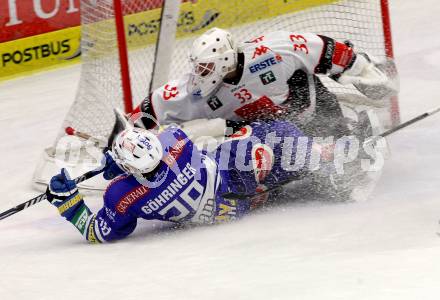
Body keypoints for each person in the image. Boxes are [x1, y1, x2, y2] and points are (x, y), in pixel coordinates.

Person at [47, 121, 325, 243]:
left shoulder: (120, 194)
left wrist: (69, 204)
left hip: (223, 213)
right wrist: (120, 164)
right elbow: (157, 137)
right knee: (265, 133)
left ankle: (273, 188)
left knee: (253, 164)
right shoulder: (176, 140)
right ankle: (325, 157)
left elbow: (98, 233)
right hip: (232, 183)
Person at [123, 27, 394, 142]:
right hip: (269, 135)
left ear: (226, 60)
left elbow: (323, 49)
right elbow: (154, 105)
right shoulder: (193, 92)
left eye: (205, 67)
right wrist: (127, 134)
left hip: (310, 112)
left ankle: (349, 132)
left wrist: (363, 70)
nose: (199, 74)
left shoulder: (273, 52)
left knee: (337, 155)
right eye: (198, 67)